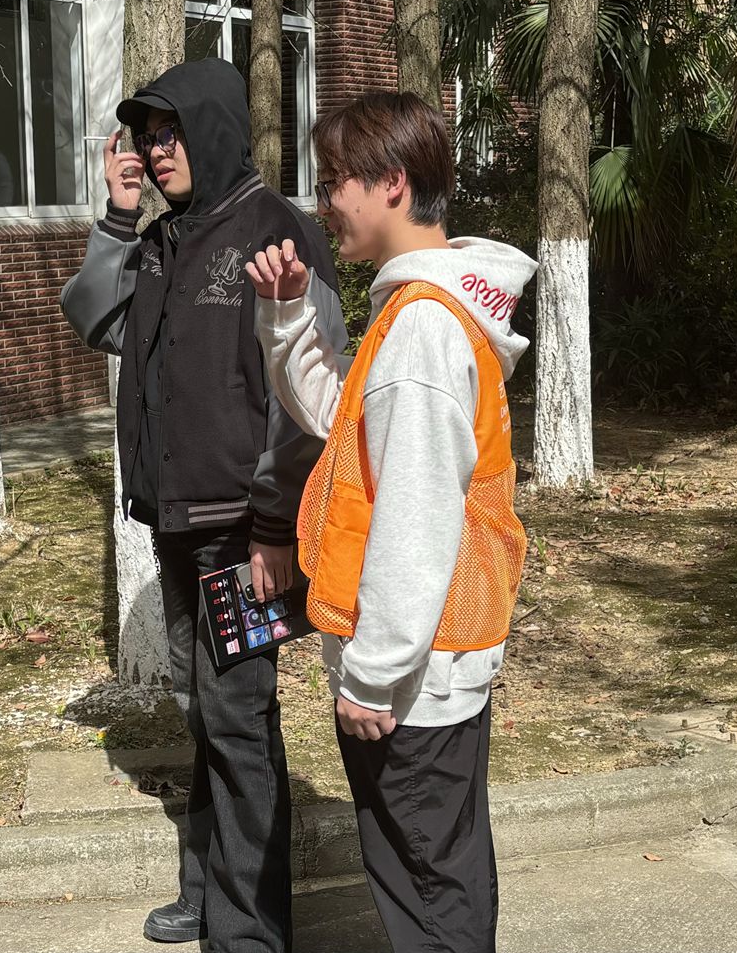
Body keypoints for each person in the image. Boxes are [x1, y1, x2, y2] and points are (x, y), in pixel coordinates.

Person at [59, 57, 344, 951]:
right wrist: (118, 215)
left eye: (171, 131)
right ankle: (208, 892)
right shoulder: (161, 238)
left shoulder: (277, 230)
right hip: (177, 524)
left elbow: (311, 394)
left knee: (239, 719)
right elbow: (93, 315)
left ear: (214, 127)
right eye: (147, 136)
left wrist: (275, 524)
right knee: (204, 713)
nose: (156, 149)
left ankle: (250, 929)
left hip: (243, 534)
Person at [246, 91, 534, 953]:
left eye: (335, 181)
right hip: (429, 666)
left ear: (393, 184)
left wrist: (373, 678)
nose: (324, 203)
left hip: (414, 681)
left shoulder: (421, 333)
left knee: (428, 895)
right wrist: (289, 318)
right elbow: (342, 420)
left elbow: (415, 516)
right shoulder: (418, 315)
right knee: (442, 877)